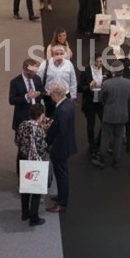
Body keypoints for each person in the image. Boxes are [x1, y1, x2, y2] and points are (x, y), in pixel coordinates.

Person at [14, 103, 49, 226]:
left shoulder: (22, 125)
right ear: (41, 116)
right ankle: (34, 218)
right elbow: (41, 148)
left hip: (23, 159)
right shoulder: (39, 130)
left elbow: (17, 141)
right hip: (35, 162)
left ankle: (25, 213)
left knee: (24, 188)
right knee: (35, 190)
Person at [44, 82, 75, 213]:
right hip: (66, 146)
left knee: (61, 175)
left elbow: (61, 132)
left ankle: (62, 202)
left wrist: (51, 146)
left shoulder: (61, 110)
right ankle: (61, 197)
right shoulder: (68, 104)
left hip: (61, 148)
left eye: (51, 93)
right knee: (62, 174)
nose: (50, 95)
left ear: (56, 94)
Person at [78, 52, 107, 158]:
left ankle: (98, 141)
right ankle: (92, 145)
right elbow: (79, 87)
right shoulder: (86, 71)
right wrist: (88, 86)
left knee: (104, 122)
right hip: (89, 102)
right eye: (98, 61)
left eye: (101, 61)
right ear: (93, 61)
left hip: (100, 102)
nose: (100, 64)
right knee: (91, 124)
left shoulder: (104, 71)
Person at [38, 45, 77, 116]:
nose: (59, 56)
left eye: (61, 54)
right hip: (49, 98)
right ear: (52, 54)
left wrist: (72, 97)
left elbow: (73, 81)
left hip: (65, 96)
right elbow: (38, 80)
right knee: (50, 119)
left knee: (64, 118)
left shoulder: (69, 64)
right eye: (56, 54)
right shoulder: (45, 64)